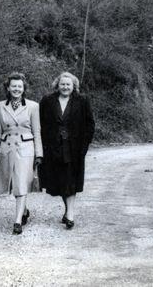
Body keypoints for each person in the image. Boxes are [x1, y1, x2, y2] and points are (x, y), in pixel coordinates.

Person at [39, 72, 95, 229]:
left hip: (74, 149)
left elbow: (90, 124)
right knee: (59, 181)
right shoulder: (47, 101)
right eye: (62, 84)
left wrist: (84, 146)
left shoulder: (82, 101)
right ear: (57, 85)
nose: (65, 87)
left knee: (70, 180)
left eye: (68, 84)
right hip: (53, 149)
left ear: (74, 86)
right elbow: (40, 123)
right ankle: (67, 210)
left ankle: (70, 214)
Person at [0, 72, 43, 235]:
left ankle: (17, 220)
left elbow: (37, 131)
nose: (16, 89)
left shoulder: (33, 106)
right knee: (13, 184)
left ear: (24, 88)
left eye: (19, 86)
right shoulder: (0, 106)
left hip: (26, 149)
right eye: (13, 86)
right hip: (7, 148)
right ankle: (24, 210)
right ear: (8, 88)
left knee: (21, 182)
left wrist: (39, 153)